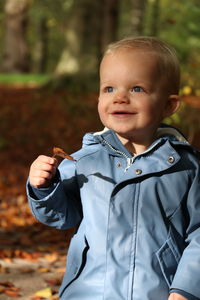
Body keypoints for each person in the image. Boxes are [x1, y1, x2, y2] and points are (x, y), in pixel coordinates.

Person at [27, 36, 200, 300]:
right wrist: (44, 189)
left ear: (168, 105)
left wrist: (186, 288)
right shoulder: (85, 160)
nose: (120, 97)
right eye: (109, 89)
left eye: (137, 89)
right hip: (89, 292)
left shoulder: (186, 168)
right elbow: (62, 215)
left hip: (157, 292)